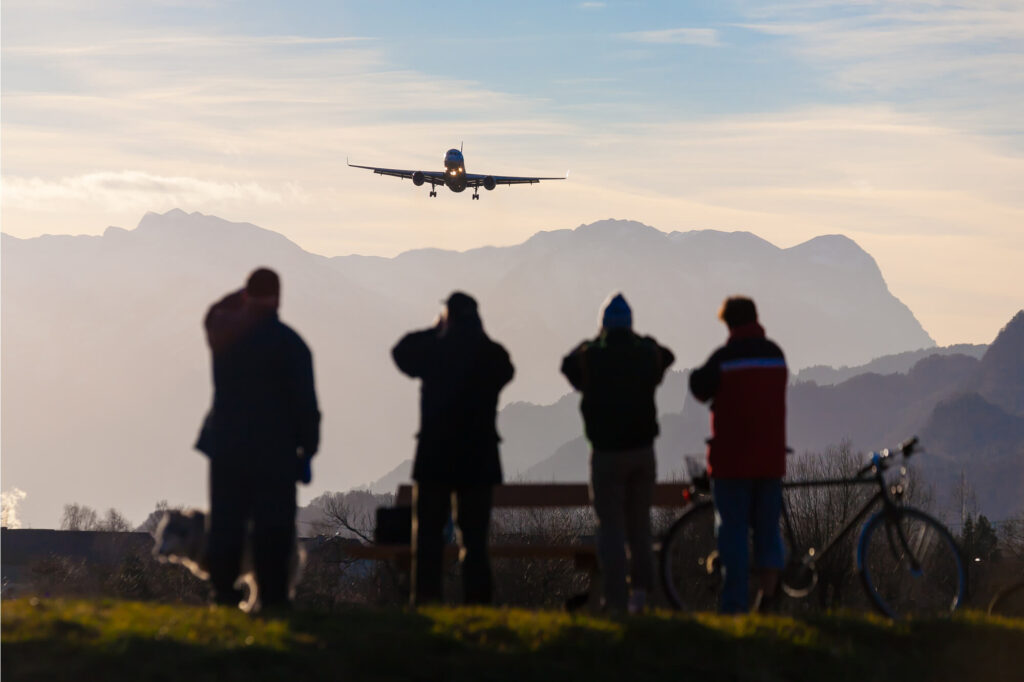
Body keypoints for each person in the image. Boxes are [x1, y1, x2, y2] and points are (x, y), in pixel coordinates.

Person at [196, 267, 320, 610]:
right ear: (278, 298)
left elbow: (211, 313)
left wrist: (242, 295)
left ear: (247, 295)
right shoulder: (292, 345)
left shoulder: (225, 332)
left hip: (226, 445)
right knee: (274, 527)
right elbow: (307, 406)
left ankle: (222, 593)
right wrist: (307, 449)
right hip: (275, 451)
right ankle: (274, 598)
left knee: (226, 523)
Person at [392, 292, 514, 606]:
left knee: (428, 538)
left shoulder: (435, 349)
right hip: (479, 460)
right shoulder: (489, 355)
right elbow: (506, 368)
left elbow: (401, 351)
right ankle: (477, 603)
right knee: (474, 540)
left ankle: (427, 600)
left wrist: (437, 330)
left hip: (435, 458)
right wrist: (479, 334)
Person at [561, 293, 675, 613]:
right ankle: (640, 595)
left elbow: (568, 365)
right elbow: (666, 355)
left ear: (604, 327)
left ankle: (616, 599)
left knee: (610, 527)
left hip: (606, 454)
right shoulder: (644, 357)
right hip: (642, 452)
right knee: (639, 525)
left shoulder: (592, 358)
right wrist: (641, 339)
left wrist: (593, 342)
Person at [689, 296, 787, 614]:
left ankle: (734, 606)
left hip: (731, 463)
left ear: (728, 323)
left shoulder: (724, 358)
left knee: (733, 533)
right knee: (768, 531)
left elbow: (699, 387)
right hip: (770, 460)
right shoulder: (776, 356)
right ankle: (768, 599)